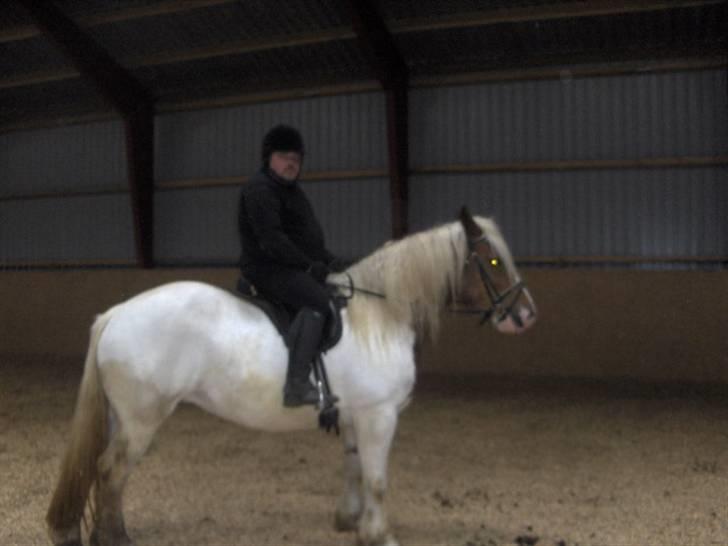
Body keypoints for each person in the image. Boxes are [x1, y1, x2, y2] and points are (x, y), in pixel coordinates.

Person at [238, 124, 343, 407]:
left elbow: (305, 237)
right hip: (266, 268)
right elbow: (272, 240)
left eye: (296, 159)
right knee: (318, 301)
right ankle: (296, 385)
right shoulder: (260, 189)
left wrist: (329, 259)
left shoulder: (291, 190)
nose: (292, 163)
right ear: (269, 157)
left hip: (290, 267)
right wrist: (309, 267)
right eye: (285, 157)